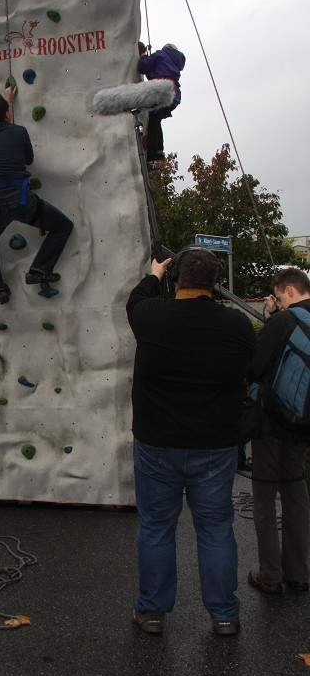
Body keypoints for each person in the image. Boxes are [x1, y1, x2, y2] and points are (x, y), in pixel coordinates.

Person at [126, 247, 256, 635]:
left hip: (157, 443)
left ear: (177, 279)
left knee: (156, 528)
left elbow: (136, 298)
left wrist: (154, 275)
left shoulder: (152, 317)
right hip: (215, 445)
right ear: (215, 283)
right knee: (216, 527)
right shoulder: (237, 326)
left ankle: (151, 611)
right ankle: (224, 614)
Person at [0, 87, 74, 304]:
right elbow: (28, 159)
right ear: (8, 114)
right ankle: (39, 269)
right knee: (63, 226)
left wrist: (4, 101)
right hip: (23, 204)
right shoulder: (19, 132)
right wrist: (8, 101)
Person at [246, 267, 310, 595]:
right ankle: (298, 573)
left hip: (271, 424)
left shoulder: (283, 321)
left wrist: (272, 318)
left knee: (265, 498)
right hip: (303, 426)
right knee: (297, 495)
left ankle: (270, 575)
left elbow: (256, 366)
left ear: (286, 291)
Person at [137, 43, 185, 164]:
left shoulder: (160, 55)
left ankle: (153, 154)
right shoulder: (175, 62)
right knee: (156, 119)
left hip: (162, 92)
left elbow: (142, 68)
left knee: (153, 120)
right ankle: (158, 151)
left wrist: (143, 56)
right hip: (174, 96)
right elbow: (153, 75)